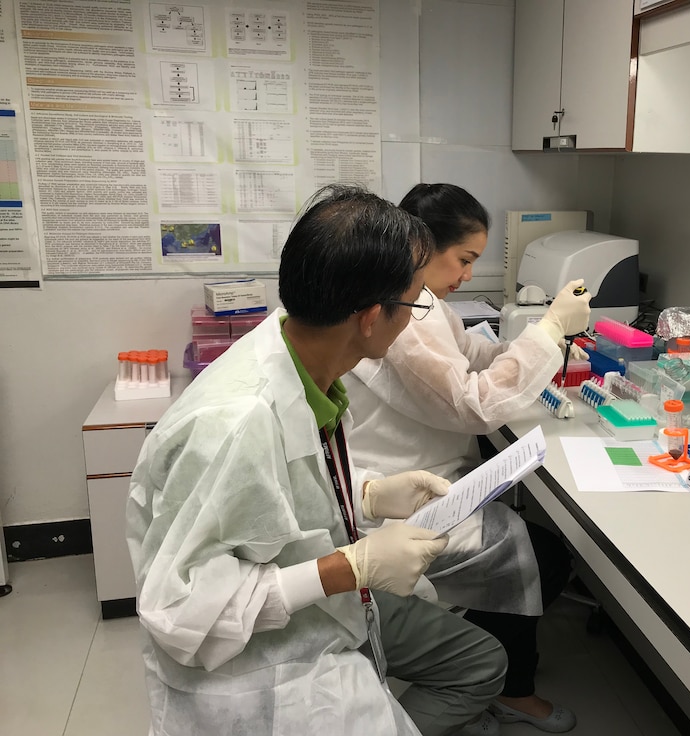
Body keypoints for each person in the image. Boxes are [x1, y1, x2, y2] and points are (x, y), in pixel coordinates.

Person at [127, 185, 507, 736]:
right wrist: (346, 569)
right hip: (250, 669)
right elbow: (181, 612)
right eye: (417, 300)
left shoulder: (297, 352)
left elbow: (272, 490)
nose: (420, 314)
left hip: (313, 610)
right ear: (374, 317)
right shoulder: (235, 421)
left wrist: (368, 494)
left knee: (466, 661)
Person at [346, 183, 591, 734]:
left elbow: (470, 355)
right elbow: (473, 401)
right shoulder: (406, 315)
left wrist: (530, 345)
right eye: (464, 260)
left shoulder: (423, 302)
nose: (465, 275)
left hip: (411, 476)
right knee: (540, 555)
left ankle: (479, 668)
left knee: (531, 544)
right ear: (420, 248)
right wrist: (550, 328)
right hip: (396, 494)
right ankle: (503, 685)